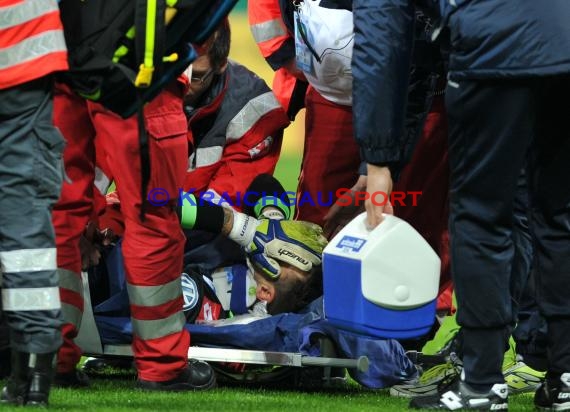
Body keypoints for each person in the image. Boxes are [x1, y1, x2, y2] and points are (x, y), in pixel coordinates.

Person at [352, 0, 570, 410]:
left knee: (481, 215)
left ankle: (483, 383)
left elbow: (381, 33)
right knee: (560, 212)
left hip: (494, 49)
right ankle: (567, 375)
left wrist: (378, 159)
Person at [0, 0, 68, 406]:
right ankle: (33, 375)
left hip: (25, 61)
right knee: (26, 236)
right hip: (25, 62)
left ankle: (23, 373)